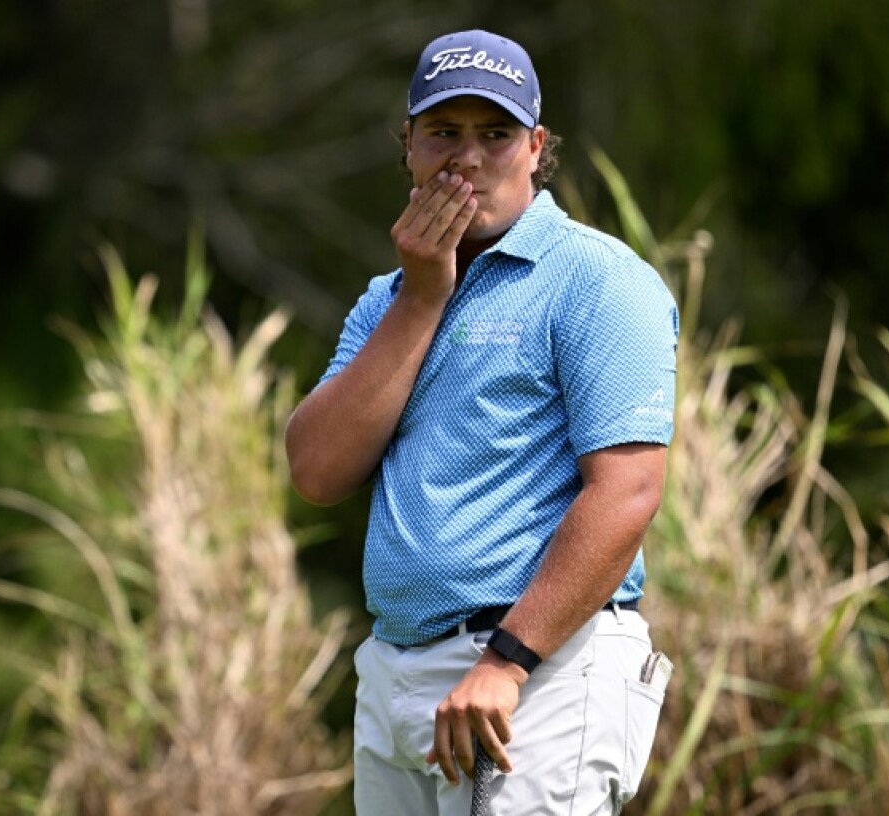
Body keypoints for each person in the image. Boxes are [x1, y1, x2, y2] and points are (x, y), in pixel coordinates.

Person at [285, 28, 678, 815]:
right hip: (398, 671)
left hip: (541, 672)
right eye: (443, 133)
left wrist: (508, 660)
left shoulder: (599, 280)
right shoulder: (386, 300)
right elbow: (317, 471)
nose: (465, 157)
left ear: (535, 148)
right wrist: (424, 295)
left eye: (494, 134)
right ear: (408, 149)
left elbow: (627, 493)